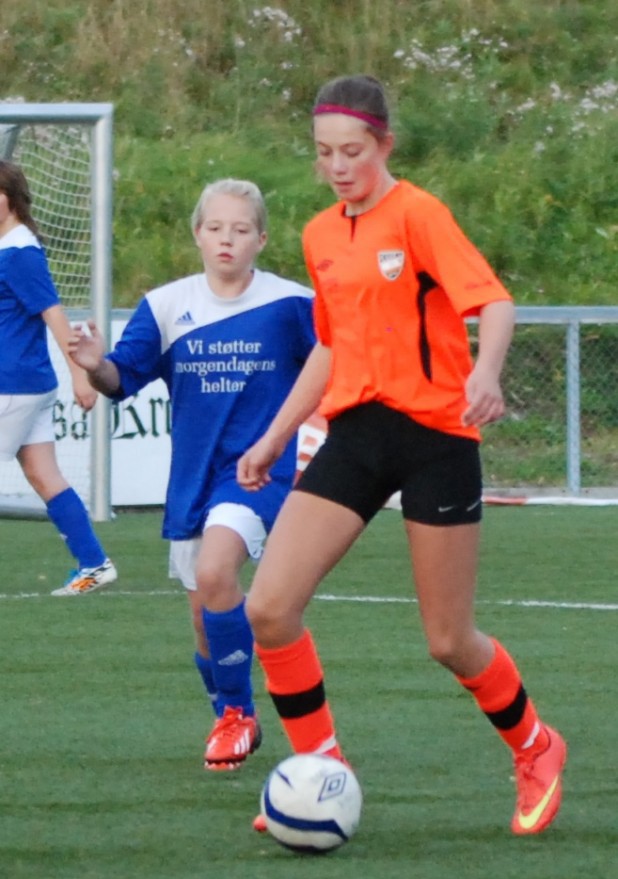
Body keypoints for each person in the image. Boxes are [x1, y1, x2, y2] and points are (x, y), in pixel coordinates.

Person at [238, 74, 567, 836]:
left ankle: (536, 745)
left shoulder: (418, 214)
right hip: (357, 435)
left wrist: (486, 372)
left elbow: (495, 302)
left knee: (448, 640)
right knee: (269, 607)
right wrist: (275, 435)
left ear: (384, 144)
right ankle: (323, 771)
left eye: (352, 151)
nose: (338, 166)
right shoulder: (320, 235)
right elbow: (330, 346)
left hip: (436, 439)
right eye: (324, 152)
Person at [69, 178, 316, 769]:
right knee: (206, 620)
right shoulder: (165, 305)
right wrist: (95, 365)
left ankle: (238, 717)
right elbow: (119, 380)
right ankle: (230, 713)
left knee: (214, 571)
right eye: (215, 227)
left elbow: (338, 365)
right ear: (197, 235)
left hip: (257, 474)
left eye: (240, 229)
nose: (227, 239)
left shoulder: (292, 304)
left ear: (261, 239)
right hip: (192, 481)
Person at [0, 160, 117, 596]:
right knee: (44, 476)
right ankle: (94, 564)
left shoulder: (19, 253)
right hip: (27, 384)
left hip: (12, 384)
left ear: (11, 199)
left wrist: (81, 376)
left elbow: (54, 315)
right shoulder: (12, 247)